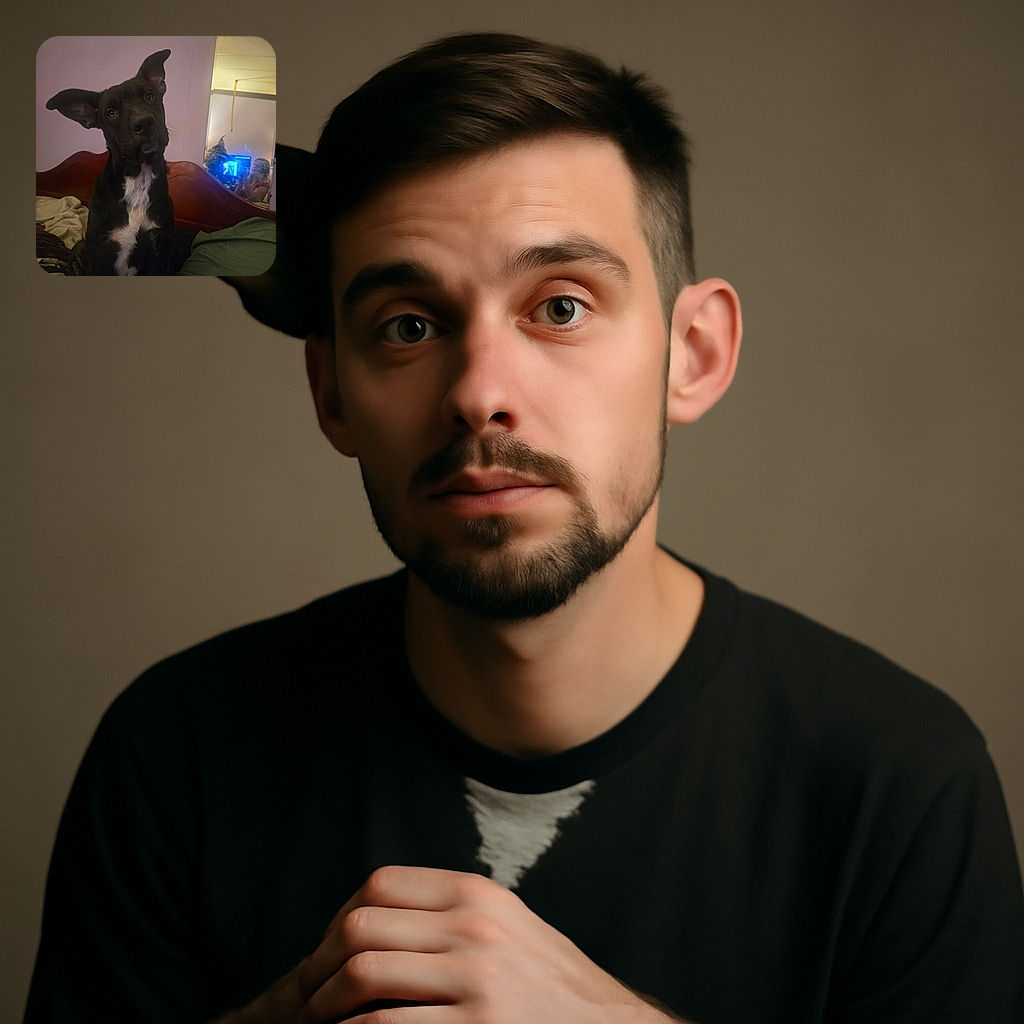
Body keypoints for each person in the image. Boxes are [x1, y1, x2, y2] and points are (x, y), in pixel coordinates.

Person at [24, 32, 1024, 1024]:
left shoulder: (901, 782)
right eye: (408, 325)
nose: (479, 393)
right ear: (330, 392)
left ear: (693, 354)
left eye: (560, 307)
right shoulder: (176, 755)